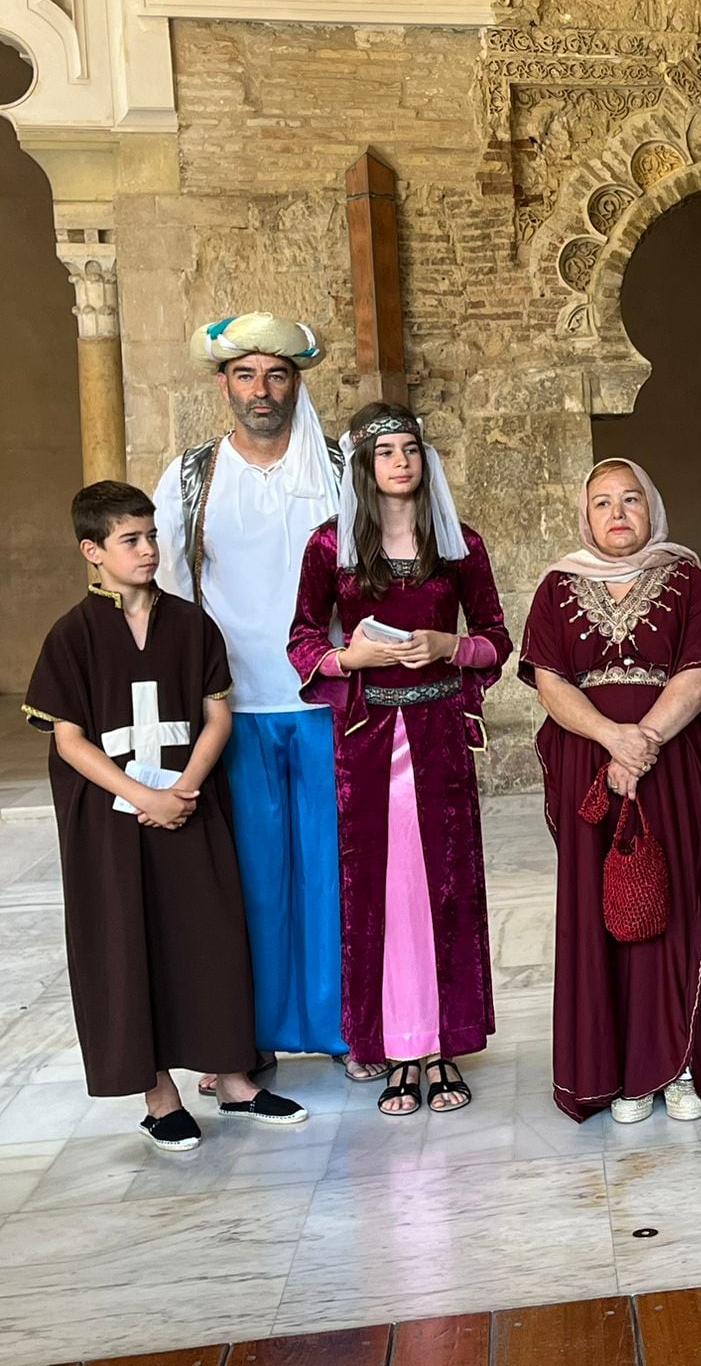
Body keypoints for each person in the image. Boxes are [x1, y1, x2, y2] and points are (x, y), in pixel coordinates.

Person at [24, 482, 307, 1149]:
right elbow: (68, 739)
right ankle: (158, 1095)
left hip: (189, 806)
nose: (148, 549)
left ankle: (234, 1079)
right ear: (92, 551)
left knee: (209, 935)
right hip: (111, 824)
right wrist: (141, 794)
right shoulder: (73, 636)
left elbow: (215, 714)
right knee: (126, 943)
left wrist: (183, 788)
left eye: (152, 536)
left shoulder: (189, 624)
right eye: (130, 540)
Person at [288, 404, 512, 1116]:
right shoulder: (330, 548)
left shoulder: (460, 546)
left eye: (410, 449)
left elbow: (497, 638)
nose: (401, 462)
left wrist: (450, 647)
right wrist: (346, 655)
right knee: (381, 892)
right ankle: (394, 1048)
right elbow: (299, 638)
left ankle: (443, 1045)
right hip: (366, 740)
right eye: (385, 452)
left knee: (442, 886)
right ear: (365, 465)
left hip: (441, 733)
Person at [153, 314, 349, 1081]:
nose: (261, 391)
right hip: (231, 706)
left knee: (334, 872)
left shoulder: (338, 466)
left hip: (330, 699)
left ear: (297, 383)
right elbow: (162, 585)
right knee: (249, 881)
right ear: (222, 385)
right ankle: (248, 1036)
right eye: (245, 375)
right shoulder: (192, 475)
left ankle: (344, 1029)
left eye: (276, 375)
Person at [520, 459, 701, 1124]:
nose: (618, 513)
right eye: (603, 502)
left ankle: (669, 1069)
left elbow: (698, 677)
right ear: (584, 516)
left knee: (667, 913)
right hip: (588, 764)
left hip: (668, 765)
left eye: (632, 499)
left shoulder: (687, 578)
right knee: (598, 915)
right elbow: (550, 683)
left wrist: (642, 742)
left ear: (653, 509)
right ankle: (611, 1074)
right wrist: (614, 741)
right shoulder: (558, 586)